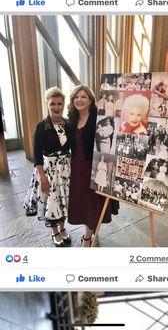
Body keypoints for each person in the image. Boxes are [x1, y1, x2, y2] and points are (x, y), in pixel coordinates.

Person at [68, 84, 119, 247]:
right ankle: (91, 231)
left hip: (94, 165)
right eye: (76, 97)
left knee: (93, 202)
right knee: (83, 201)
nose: (79, 100)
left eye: (83, 96)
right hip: (77, 166)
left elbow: (108, 138)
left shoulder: (99, 117)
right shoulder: (71, 117)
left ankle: (87, 237)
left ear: (90, 100)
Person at [24, 87, 71, 247]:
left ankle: (63, 227)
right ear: (47, 104)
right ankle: (54, 231)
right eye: (53, 104)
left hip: (65, 169)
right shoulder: (41, 127)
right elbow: (36, 154)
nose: (56, 107)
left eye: (59, 104)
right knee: (51, 201)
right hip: (48, 170)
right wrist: (42, 176)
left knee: (64, 200)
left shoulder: (67, 124)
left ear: (64, 104)